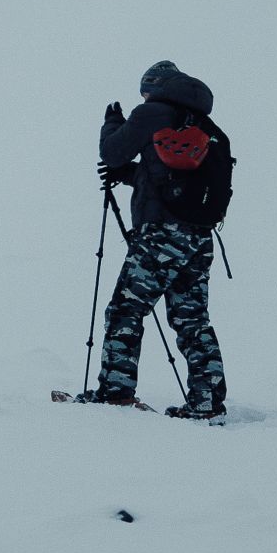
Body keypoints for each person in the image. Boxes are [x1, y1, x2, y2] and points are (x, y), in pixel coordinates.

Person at [91, 60, 233, 419]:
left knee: (126, 309)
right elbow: (170, 178)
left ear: (154, 86)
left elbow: (112, 151)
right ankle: (207, 401)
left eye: (145, 91)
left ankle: (115, 395)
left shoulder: (152, 112)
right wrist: (131, 175)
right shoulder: (206, 124)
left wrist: (112, 125)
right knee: (192, 320)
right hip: (199, 238)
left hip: (161, 235)